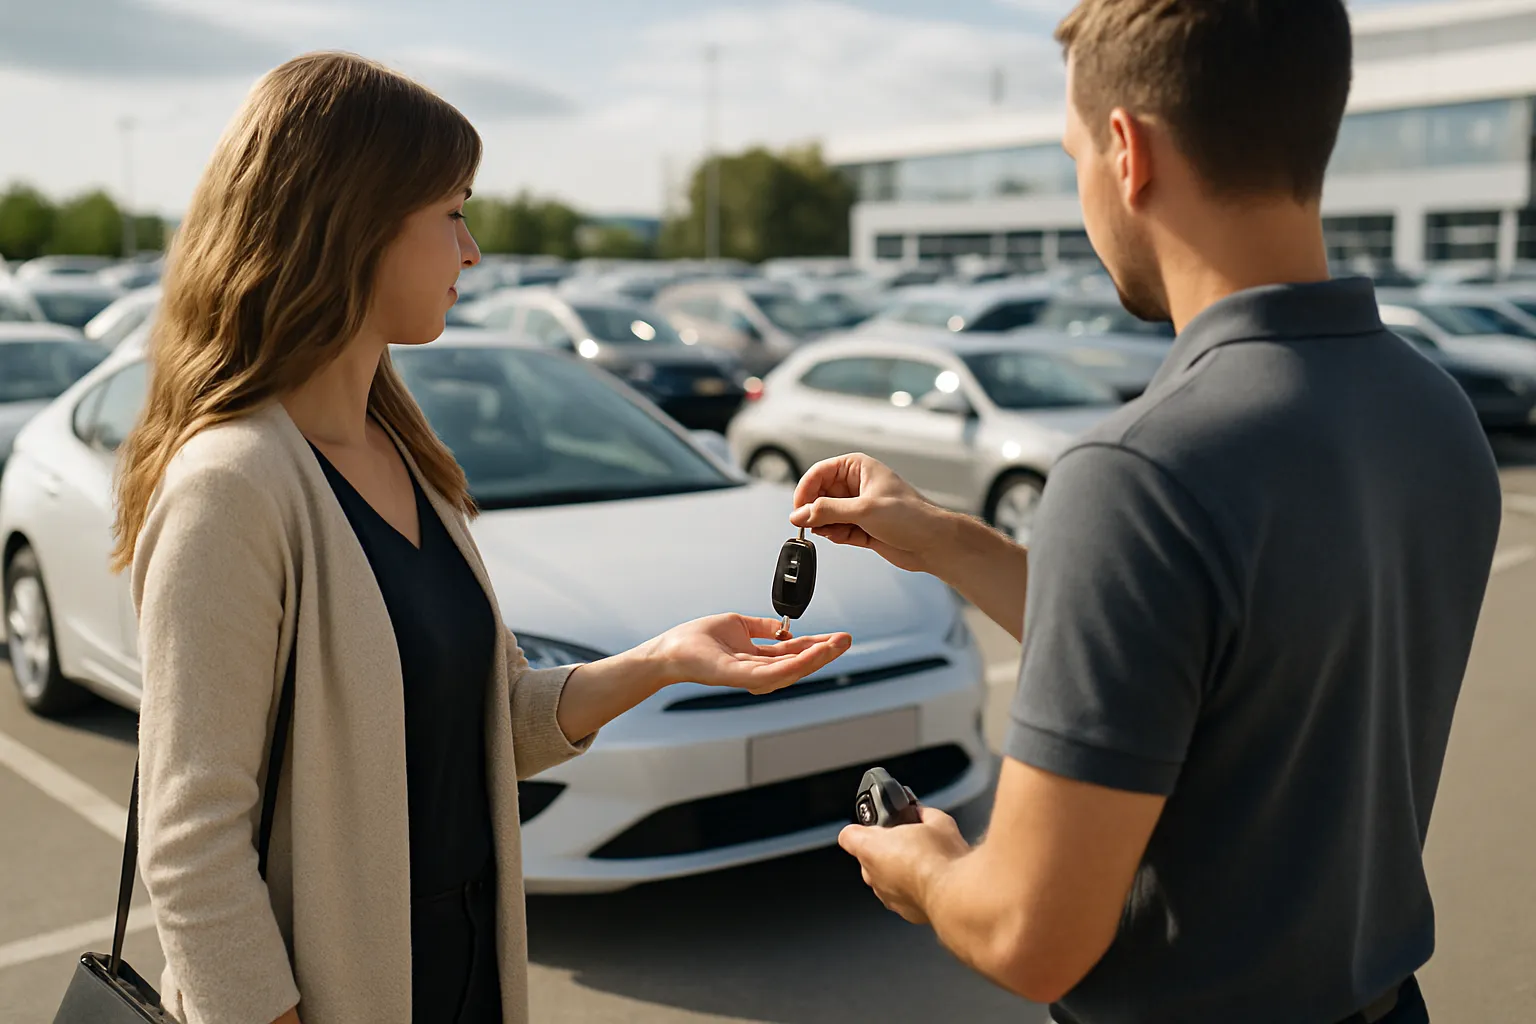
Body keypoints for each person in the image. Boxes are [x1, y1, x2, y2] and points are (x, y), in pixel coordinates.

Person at [792, 3, 1502, 1023]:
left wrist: (928, 867)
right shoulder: (1433, 412)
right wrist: (949, 540)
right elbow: (1200, 653)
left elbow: (1029, 936)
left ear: (1126, 151)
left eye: (1074, 153)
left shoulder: (1143, 468)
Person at [111, 52, 851, 1024]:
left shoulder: (406, 453)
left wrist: (667, 661)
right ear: (354, 223)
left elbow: (490, 724)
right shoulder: (232, 487)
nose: (472, 252)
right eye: (453, 211)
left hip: (461, 971)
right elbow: (192, 848)